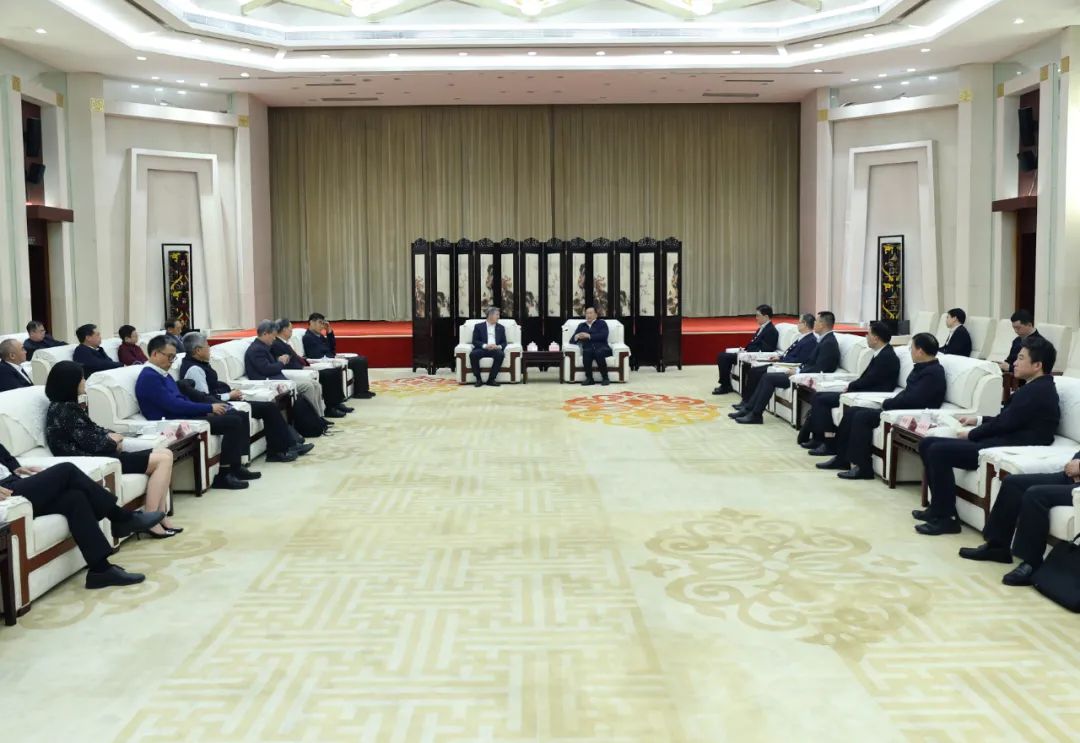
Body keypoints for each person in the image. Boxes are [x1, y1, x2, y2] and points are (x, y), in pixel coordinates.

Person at [915, 336, 1060, 535]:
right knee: (927, 443)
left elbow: (1006, 424)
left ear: (1037, 365)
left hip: (1011, 445)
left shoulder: (1037, 391)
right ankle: (937, 509)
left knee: (938, 450)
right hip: (1004, 437)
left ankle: (946, 518)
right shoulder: (1034, 387)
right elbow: (1008, 418)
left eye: (1020, 358)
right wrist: (979, 420)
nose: (1014, 363)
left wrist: (971, 434)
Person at [43, 361, 180, 537]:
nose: (84, 381)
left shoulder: (67, 406)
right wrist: (113, 441)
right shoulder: (64, 411)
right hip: (95, 461)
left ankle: (160, 515)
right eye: (81, 378)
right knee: (163, 459)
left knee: (166, 453)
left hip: (104, 456)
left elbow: (94, 429)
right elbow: (94, 444)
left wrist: (112, 436)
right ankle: (151, 519)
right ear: (70, 383)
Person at [0, 444, 163, 588]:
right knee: (67, 470)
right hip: (8, 493)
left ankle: (100, 570)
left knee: (75, 498)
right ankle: (121, 517)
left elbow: (4, 454)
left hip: (13, 481)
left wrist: (14, 466)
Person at [136, 335, 259, 491]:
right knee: (233, 422)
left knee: (238, 415)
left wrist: (205, 407)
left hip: (185, 414)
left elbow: (181, 399)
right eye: (170, 356)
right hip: (174, 421)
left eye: (174, 357)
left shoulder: (162, 373)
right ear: (155, 354)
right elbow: (174, 405)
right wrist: (208, 408)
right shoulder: (150, 378)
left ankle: (236, 467)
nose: (172, 361)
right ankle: (224, 475)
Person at [818, 332, 947, 479]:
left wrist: (888, 403)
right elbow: (908, 394)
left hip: (909, 413)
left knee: (861, 417)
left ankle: (863, 467)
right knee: (852, 412)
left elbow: (914, 400)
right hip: (898, 407)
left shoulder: (932, 373)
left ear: (920, 351)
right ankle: (841, 458)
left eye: (911, 348)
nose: (910, 352)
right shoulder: (923, 367)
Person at [180, 332, 312, 463]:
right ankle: (279, 451)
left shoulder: (201, 363)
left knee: (269, 407)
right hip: (218, 406)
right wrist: (228, 395)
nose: (210, 349)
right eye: (207, 346)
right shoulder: (194, 370)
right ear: (197, 350)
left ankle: (287, 446)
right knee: (266, 409)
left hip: (225, 400)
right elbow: (204, 398)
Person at [959, 450, 1080, 586]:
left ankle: (1032, 563)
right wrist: (1074, 464)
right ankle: (997, 547)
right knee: (1012, 482)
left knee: (1035, 495)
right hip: (1071, 478)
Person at [802, 321, 900, 454]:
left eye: (868, 334)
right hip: (861, 391)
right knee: (818, 396)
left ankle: (828, 443)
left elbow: (871, 380)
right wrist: (852, 386)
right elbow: (867, 379)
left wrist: (851, 387)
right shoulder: (880, 353)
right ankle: (819, 438)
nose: (866, 337)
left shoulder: (887, 357)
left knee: (822, 399)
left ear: (876, 338)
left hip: (869, 395)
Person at [733, 311, 841, 424]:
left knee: (768, 378)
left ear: (822, 324)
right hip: (801, 372)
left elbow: (820, 368)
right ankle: (750, 410)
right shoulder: (824, 339)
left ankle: (755, 414)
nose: (814, 324)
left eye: (816, 321)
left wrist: (798, 371)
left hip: (805, 376)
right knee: (766, 376)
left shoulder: (828, 342)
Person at [244, 320, 328, 419]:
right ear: (265, 333)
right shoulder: (256, 349)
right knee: (308, 386)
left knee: (315, 384)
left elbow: (268, 364)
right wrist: (281, 362)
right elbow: (267, 369)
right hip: (270, 382)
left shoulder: (263, 347)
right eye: (273, 335)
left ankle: (319, 417)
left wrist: (277, 360)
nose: (274, 338)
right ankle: (313, 420)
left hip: (278, 379)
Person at [733, 313, 818, 407]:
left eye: (799, 322)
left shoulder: (810, 340)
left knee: (757, 373)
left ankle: (748, 404)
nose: (797, 324)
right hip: (781, 363)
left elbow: (799, 360)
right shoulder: (803, 337)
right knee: (754, 371)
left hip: (785, 366)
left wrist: (781, 362)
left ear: (805, 324)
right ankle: (746, 402)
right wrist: (780, 357)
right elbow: (790, 354)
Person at [273, 319, 351, 418]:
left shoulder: (286, 342)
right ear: (284, 330)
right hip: (297, 370)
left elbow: (297, 358)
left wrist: (306, 363)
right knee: (328, 374)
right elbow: (288, 364)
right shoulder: (277, 344)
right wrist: (303, 367)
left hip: (304, 365)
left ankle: (336, 404)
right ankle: (330, 408)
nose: (291, 331)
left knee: (333, 371)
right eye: (290, 329)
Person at [302, 313, 375, 400]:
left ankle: (363, 390)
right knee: (359, 361)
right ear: (312, 322)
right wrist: (333, 357)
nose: (322, 326)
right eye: (320, 323)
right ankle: (360, 392)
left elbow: (331, 347)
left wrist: (329, 332)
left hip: (332, 358)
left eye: (323, 323)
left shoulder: (319, 336)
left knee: (362, 359)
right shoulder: (308, 337)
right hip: (326, 362)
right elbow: (317, 355)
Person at [713, 305, 779, 395]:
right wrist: (744, 350)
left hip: (752, 356)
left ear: (766, 316)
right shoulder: (762, 328)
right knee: (722, 356)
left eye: (758, 315)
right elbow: (754, 343)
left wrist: (747, 352)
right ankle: (726, 384)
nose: (756, 318)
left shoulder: (771, 331)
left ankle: (725, 386)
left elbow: (766, 349)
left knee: (723, 357)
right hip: (746, 353)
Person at [570, 306, 612, 386]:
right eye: (587, 313)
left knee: (598, 352)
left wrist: (589, 336)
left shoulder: (602, 323)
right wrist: (577, 336)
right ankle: (589, 379)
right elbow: (572, 340)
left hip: (603, 348)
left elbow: (604, 336)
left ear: (596, 315)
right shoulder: (581, 325)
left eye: (590, 313)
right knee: (586, 352)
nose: (588, 315)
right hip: (588, 349)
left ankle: (605, 378)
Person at [469, 307, 507, 387]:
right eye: (497, 315)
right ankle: (478, 379)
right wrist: (485, 346)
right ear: (490, 315)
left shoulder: (501, 327)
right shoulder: (478, 326)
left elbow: (504, 342)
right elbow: (475, 341)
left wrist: (498, 346)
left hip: (495, 349)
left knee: (500, 354)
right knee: (473, 354)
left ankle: (491, 379)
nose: (498, 317)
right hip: (482, 349)